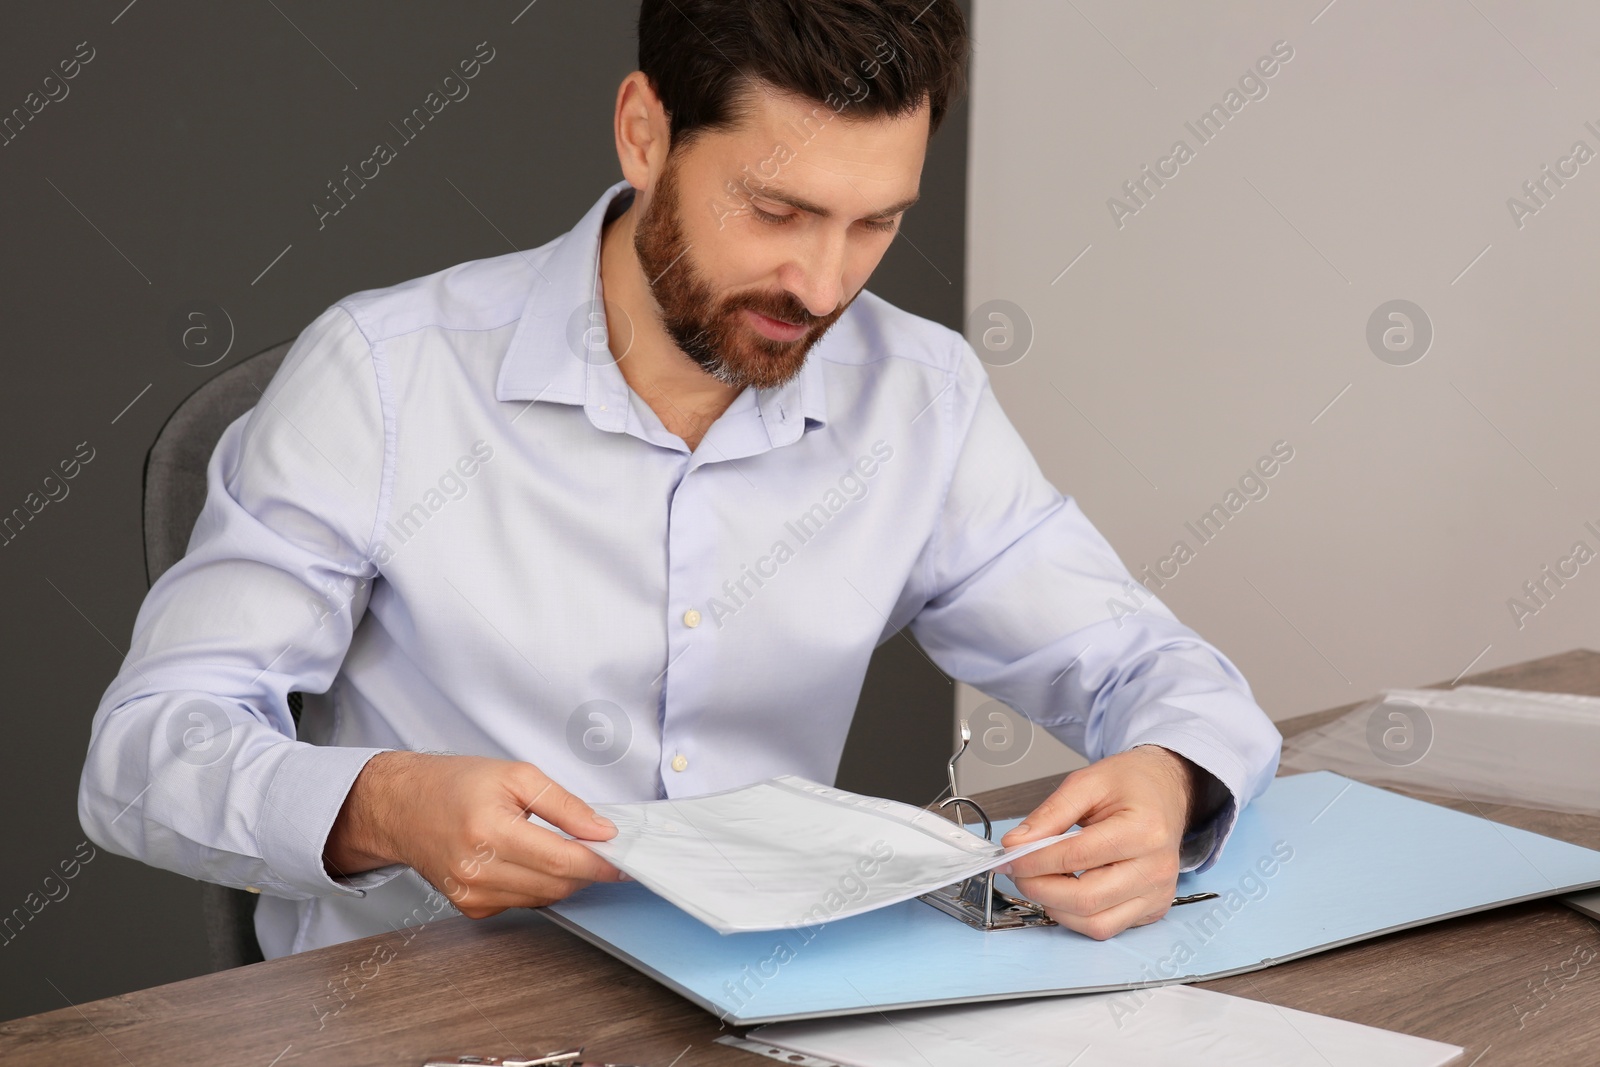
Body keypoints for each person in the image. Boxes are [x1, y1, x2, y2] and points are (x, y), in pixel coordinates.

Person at [79, 0, 1280, 959]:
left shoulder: (917, 393)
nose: (821, 284)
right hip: (429, 1012)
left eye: (874, 224)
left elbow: (1148, 668)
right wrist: (382, 805)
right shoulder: (385, 380)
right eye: (776, 209)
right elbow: (144, 754)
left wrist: (1167, 778)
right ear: (644, 130)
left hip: (772, 1002)